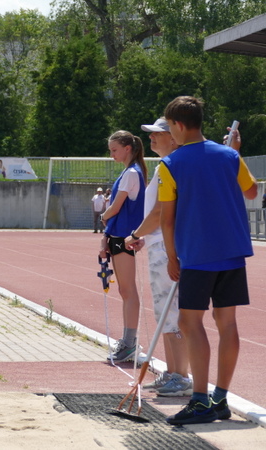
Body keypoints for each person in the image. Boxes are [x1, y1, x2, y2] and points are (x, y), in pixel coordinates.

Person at [159, 96, 257, 425]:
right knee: (227, 323)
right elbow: (252, 191)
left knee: (190, 323)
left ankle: (200, 400)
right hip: (232, 251)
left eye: (169, 126)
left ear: (178, 125)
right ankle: (220, 398)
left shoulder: (170, 163)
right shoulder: (229, 156)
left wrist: (172, 257)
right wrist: (235, 154)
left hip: (198, 253)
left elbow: (167, 220)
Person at [124, 117, 191, 397]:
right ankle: (173, 372)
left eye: (157, 134)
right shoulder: (164, 165)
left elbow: (160, 211)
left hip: (166, 246)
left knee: (171, 312)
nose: (151, 138)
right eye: (150, 134)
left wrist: (135, 234)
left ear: (173, 137)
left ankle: (182, 376)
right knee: (164, 311)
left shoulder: (171, 166)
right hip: (159, 244)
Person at [99, 130, 147, 363]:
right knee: (125, 291)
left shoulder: (132, 173)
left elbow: (116, 207)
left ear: (128, 148)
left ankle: (130, 343)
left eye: (114, 150)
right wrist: (106, 235)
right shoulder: (129, 172)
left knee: (128, 291)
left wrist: (104, 217)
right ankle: (128, 342)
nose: (112, 155)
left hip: (125, 236)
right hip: (119, 235)